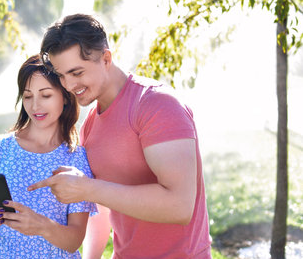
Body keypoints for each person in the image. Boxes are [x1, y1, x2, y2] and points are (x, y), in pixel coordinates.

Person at [28, 14, 212, 258]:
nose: (69, 85)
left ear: (106, 58)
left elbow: (179, 206)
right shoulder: (90, 125)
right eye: (62, 76)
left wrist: (87, 188)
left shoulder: (157, 105)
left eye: (76, 72)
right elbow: (101, 210)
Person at [0, 54, 97, 258]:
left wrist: (42, 226)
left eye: (46, 95)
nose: (35, 106)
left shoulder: (76, 158)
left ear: (66, 97)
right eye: (28, 96)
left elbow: (74, 240)